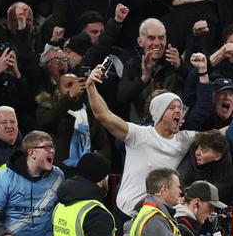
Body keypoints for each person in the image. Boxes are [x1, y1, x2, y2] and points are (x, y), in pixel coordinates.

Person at [83, 60, 206, 219]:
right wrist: (90, 86)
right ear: (160, 112)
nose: (178, 111)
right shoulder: (139, 135)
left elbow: (218, 134)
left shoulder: (185, 139)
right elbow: (104, 116)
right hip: (127, 211)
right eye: (172, 107)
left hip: (156, 214)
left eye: (180, 108)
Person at [0, 130, 64, 236]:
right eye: (46, 147)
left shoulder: (58, 176)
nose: (52, 151)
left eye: (52, 147)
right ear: (32, 153)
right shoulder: (5, 176)